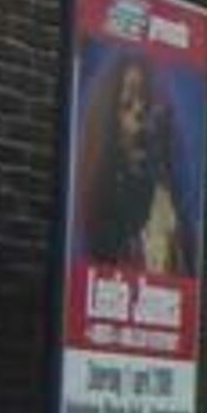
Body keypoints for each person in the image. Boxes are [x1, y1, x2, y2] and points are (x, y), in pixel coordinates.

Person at [78, 53, 194, 277]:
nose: (140, 112)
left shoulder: (171, 198)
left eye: (147, 100)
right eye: (127, 104)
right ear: (109, 126)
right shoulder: (106, 214)